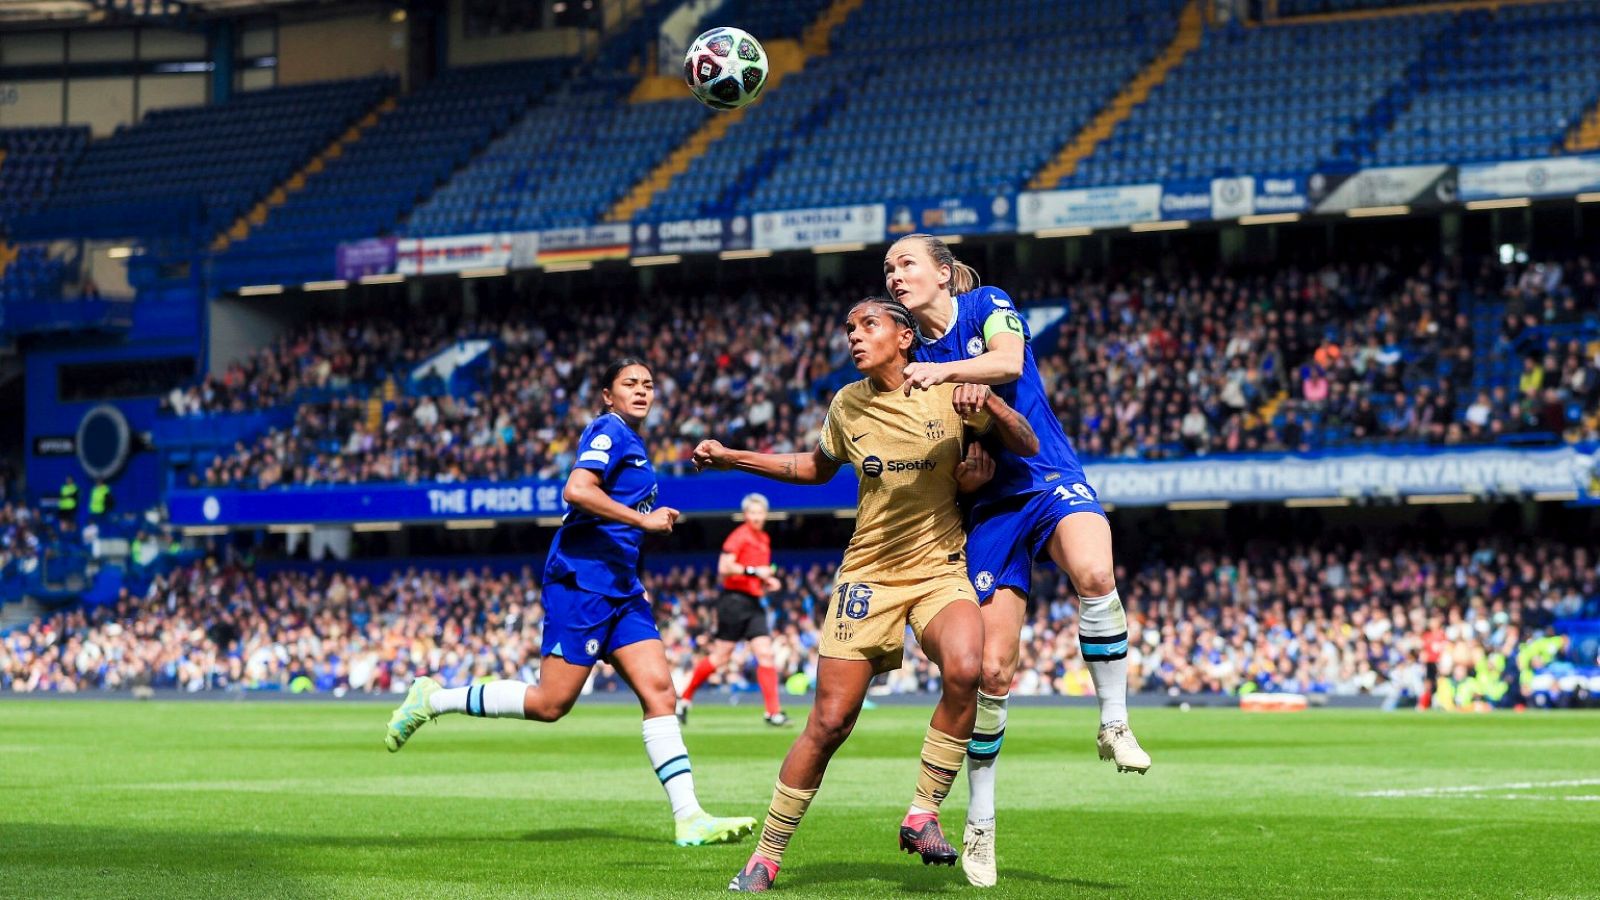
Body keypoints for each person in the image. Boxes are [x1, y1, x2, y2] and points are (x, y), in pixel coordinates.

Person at [693, 297, 1039, 893]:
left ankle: (922, 813)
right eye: (849, 328)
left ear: (905, 338)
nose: (854, 336)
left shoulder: (949, 387)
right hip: (868, 577)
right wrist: (732, 457)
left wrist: (992, 404)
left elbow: (1027, 444)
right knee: (829, 722)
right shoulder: (847, 404)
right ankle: (766, 857)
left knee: (968, 668)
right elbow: (813, 467)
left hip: (939, 568)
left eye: (868, 325)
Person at [383, 357, 756, 848]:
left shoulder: (636, 443)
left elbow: (614, 523)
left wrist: (633, 565)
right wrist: (643, 522)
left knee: (661, 692)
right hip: (581, 584)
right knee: (551, 703)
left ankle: (689, 817)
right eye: (630, 383)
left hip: (621, 589)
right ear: (608, 394)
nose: (642, 391)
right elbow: (577, 489)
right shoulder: (609, 430)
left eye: (648, 384)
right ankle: (432, 699)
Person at [885, 233, 1151, 887]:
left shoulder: (987, 306)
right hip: (989, 513)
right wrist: (965, 479)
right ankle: (980, 825)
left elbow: (1006, 362)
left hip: (1047, 473)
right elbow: (938, 462)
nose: (894, 275)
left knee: (1094, 572)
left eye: (906, 264)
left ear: (943, 275)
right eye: (886, 269)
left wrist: (945, 373)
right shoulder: (908, 361)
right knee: (994, 672)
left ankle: (1113, 721)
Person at [676, 492, 790, 727]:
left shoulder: (764, 539)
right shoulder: (739, 536)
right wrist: (753, 572)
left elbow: (757, 573)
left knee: (765, 654)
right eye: (754, 512)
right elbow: (724, 567)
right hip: (733, 602)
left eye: (761, 512)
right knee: (720, 657)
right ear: (746, 514)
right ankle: (684, 699)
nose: (758, 517)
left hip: (754, 603)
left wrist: (767, 581)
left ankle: (773, 712)